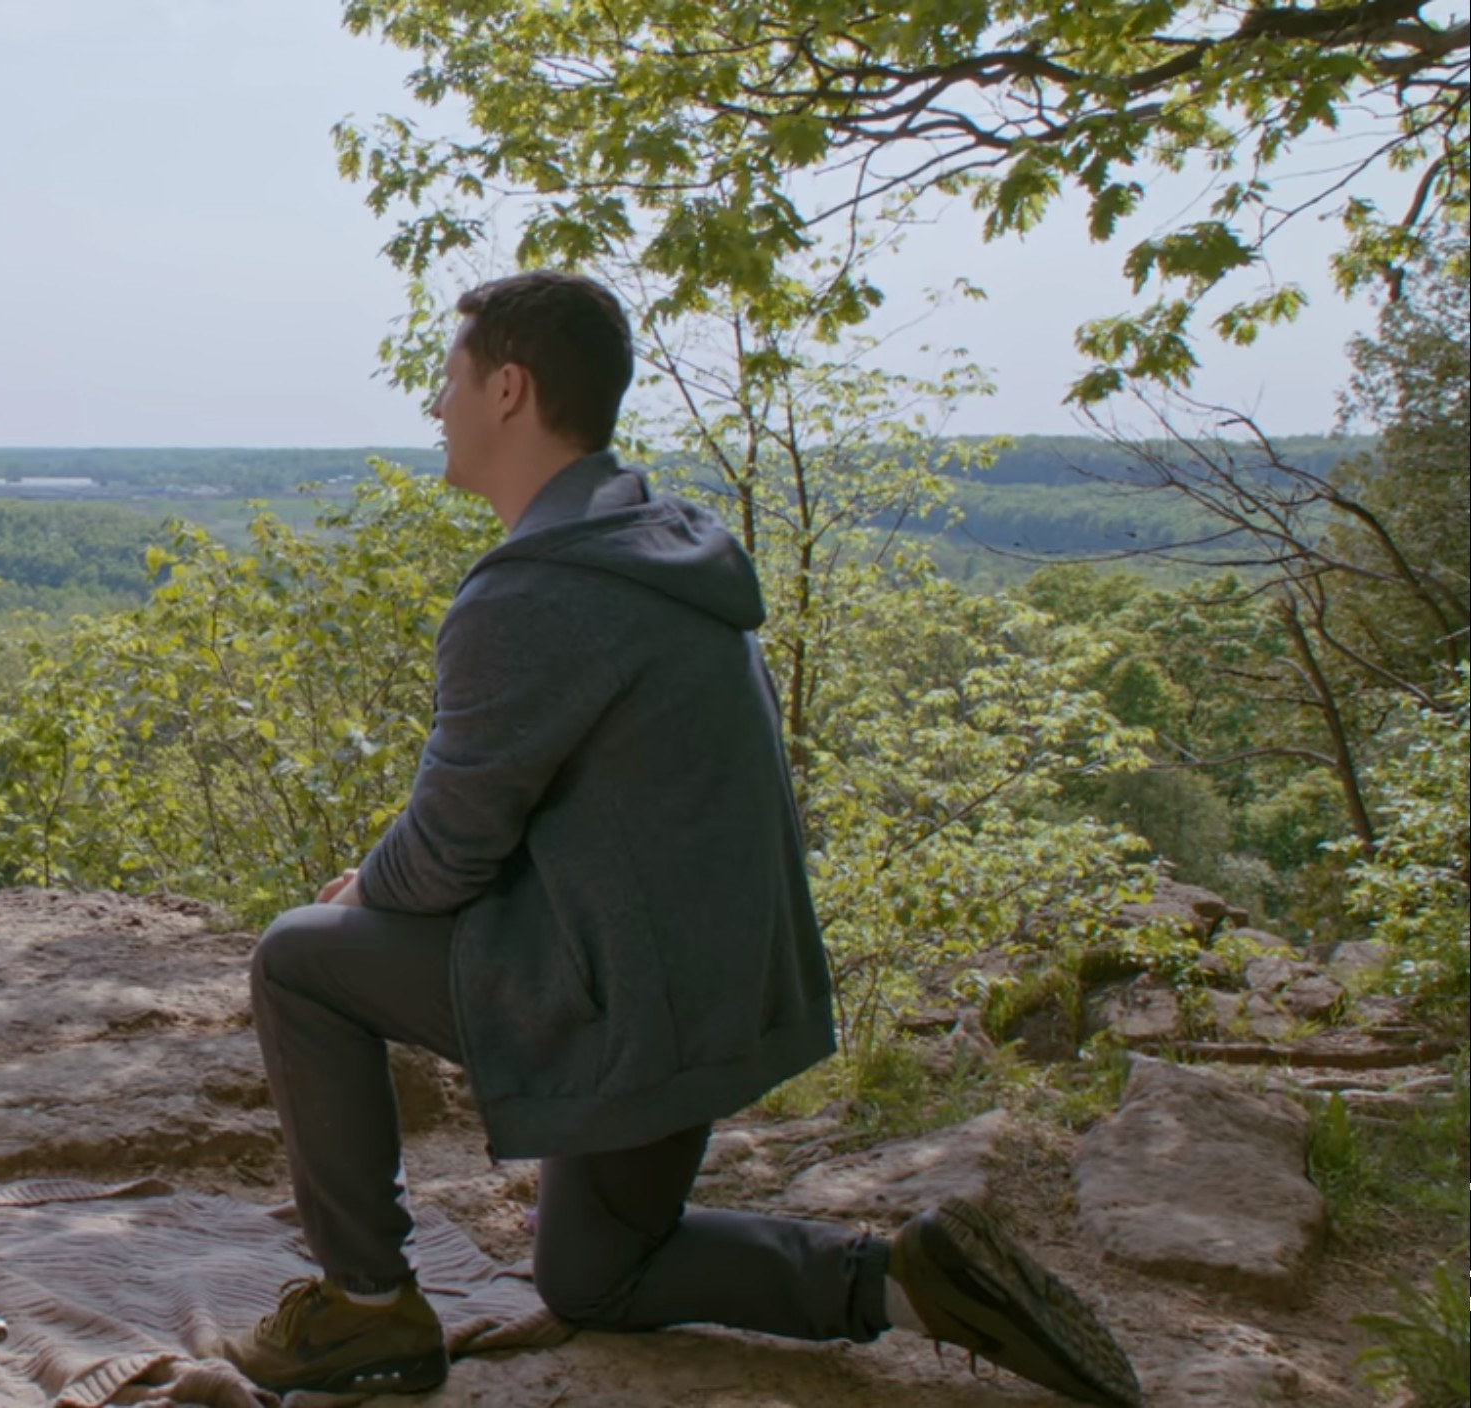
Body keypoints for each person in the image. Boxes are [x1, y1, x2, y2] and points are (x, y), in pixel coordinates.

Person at [218, 271, 1142, 1407]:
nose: (434, 407)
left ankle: (364, 1310)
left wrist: (365, 886)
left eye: (446, 381)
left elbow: (451, 850)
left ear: (508, 388)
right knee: (595, 1275)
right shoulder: (659, 538)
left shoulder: (533, 593)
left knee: (299, 958)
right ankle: (903, 1281)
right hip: (710, 986)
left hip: (630, 1000)